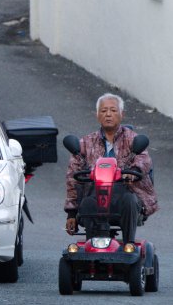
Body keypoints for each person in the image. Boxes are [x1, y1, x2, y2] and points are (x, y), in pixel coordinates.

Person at [64, 93, 158, 243]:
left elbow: (143, 160)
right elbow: (73, 177)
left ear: (122, 114)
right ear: (97, 115)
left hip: (125, 193)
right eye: (104, 111)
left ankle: (129, 244)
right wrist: (71, 214)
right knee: (87, 203)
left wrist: (134, 172)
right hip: (95, 195)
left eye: (113, 110)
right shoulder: (86, 143)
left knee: (129, 200)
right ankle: (91, 245)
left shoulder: (132, 139)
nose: (108, 114)